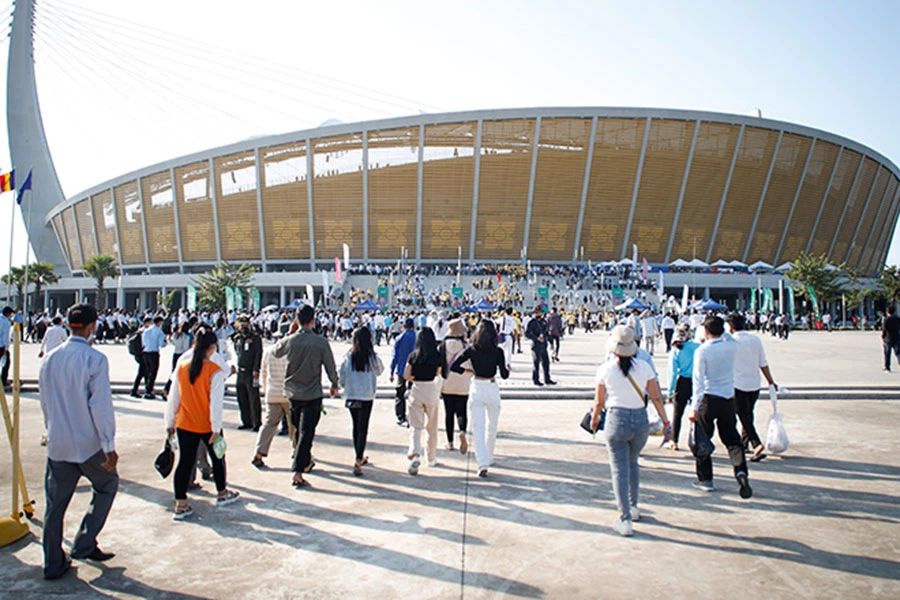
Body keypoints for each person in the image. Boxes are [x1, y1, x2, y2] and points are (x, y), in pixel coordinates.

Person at [39, 303, 118, 579]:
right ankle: (84, 542)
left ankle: (53, 563)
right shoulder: (95, 359)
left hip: (58, 444)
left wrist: (49, 430)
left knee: (55, 507)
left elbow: (45, 402)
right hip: (88, 445)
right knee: (107, 485)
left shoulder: (49, 358)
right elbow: (101, 407)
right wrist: (109, 447)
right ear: (93, 326)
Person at [591, 325, 668, 537]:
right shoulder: (644, 367)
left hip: (617, 418)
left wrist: (595, 419)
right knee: (633, 463)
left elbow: (599, 401)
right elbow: (655, 397)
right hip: (640, 418)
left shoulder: (605, 369)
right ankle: (633, 508)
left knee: (618, 470)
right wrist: (665, 419)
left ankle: (624, 519)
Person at [165, 326, 240, 520]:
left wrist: (170, 422)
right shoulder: (214, 372)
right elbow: (216, 403)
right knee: (218, 458)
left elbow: (174, 397)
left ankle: (180, 504)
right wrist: (216, 428)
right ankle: (222, 493)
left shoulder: (182, 367)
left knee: (185, 463)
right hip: (207, 425)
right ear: (213, 347)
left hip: (185, 423)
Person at [272, 305, 339, 488]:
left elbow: (276, 351)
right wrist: (334, 384)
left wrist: (289, 334)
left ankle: (305, 462)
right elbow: (330, 366)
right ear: (313, 320)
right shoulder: (320, 342)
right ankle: (298, 470)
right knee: (307, 432)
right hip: (312, 393)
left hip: (293, 394)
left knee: (299, 430)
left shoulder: (291, 340)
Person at [688, 315, 752, 499]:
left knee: (703, 440)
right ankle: (740, 471)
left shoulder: (702, 351)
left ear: (705, 331)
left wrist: (694, 407)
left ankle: (705, 479)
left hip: (708, 398)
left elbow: (698, 381)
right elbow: (731, 337)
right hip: (727, 398)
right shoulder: (731, 346)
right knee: (732, 439)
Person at [450, 320, 509, 478]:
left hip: (477, 385)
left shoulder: (472, 349)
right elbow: (504, 374)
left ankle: (482, 463)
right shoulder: (498, 351)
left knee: (478, 428)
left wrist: (468, 370)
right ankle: (489, 456)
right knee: (492, 425)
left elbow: (454, 365)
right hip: (491, 386)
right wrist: (506, 368)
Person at [727, 313, 778, 462]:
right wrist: (770, 381)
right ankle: (745, 444)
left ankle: (756, 444)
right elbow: (763, 362)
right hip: (754, 383)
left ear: (730, 326)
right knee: (748, 413)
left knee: (743, 416)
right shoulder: (755, 340)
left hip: (738, 384)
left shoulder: (731, 341)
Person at [339, 326, 383, 476]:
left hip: (352, 395)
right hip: (367, 396)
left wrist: (345, 385)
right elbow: (380, 370)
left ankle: (358, 456)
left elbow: (342, 378)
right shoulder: (372, 357)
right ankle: (359, 458)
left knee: (355, 426)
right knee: (363, 427)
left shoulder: (348, 357)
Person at [252, 329, 296, 469]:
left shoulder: (268, 351)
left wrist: (265, 390)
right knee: (294, 425)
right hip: (288, 394)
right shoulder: (291, 352)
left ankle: (259, 452)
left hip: (272, 393)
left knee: (269, 424)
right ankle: (297, 452)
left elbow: (263, 373)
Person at [403, 327, 443, 475]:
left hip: (417, 389)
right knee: (432, 426)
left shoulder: (413, 355)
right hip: (431, 389)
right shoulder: (437, 355)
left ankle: (415, 454)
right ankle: (431, 458)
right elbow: (438, 372)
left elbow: (406, 374)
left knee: (416, 426)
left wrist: (414, 378)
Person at [440, 319, 472, 453]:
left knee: (448, 413)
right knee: (462, 411)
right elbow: (470, 364)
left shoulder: (442, 346)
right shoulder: (466, 347)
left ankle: (450, 442)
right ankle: (463, 432)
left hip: (446, 383)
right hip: (463, 382)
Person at [666, 323, 699, 451]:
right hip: (696, 382)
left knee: (677, 413)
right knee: (696, 412)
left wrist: (670, 391)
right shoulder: (698, 347)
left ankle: (674, 440)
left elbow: (673, 373)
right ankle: (697, 439)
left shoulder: (676, 350)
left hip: (682, 382)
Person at [232, 316, 263, 431]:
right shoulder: (237, 338)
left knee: (253, 398)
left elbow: (258, 354)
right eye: (242, 326)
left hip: (251, 372)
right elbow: (237, 352)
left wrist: (256, 369)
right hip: (241, 371)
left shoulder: (255, 338)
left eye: (246, 325)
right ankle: (246, 421)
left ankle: (256, 422)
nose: (244, 328)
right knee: (242, 397)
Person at [389, 318, 416, 427]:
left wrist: (391, 371)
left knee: (400, 393)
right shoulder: (417, 337)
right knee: (414, 393)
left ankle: (401, 416)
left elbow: (395, 356)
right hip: (415, 369)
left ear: (403, 326)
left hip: (401, 369)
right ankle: (413, 416)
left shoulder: (399, 338)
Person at [525, 307, 556, 386]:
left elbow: (547, 333)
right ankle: (536, 379)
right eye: (537, 312)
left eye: (540, 312)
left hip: (543, 344)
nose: (539, 314)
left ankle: (547, 379)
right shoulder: (532, 322)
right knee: (536, 362)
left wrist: (551, 342)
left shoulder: (543, 322)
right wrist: (536, 338)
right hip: (536, 345)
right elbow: (527, 333)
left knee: (546, 362)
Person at [141, 316, 167, 399]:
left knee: (147, 371)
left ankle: (148, 388)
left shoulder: (146, 330)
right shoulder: (159, 332)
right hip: (154, 353)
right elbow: (161, 344)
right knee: (153, 372)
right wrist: (165, 342)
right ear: (159, 322)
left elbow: (143, 342)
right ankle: (149, 390)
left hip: (145, 352)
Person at [881, 307, 900, 371]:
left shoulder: (886, 319)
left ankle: (887, 367)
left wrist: (883, 337)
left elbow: (884, 329)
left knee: (887, 353)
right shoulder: (897, 318)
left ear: (888, 312)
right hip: (896, 337)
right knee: (898, 352)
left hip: (888, 338)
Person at [0, 306, 11, 390]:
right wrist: (6, 348)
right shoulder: (6, 322)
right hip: (1, 345)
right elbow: (5, 336)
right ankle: (3, 380)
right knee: (6, 363)